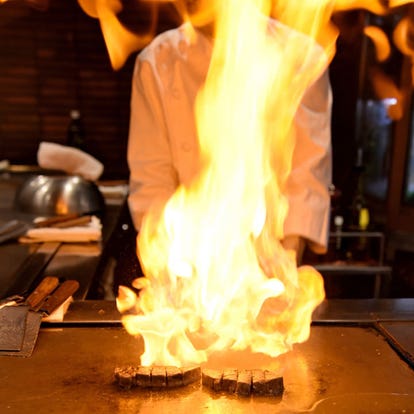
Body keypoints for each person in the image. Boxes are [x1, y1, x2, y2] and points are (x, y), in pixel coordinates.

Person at [127, 5, 332, 266]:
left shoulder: (300, 57)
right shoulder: (156, 61)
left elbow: (306, 175)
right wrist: (168, 267)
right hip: (187, 253)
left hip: (269, 250)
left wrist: (284, 263)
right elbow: (152, 180)